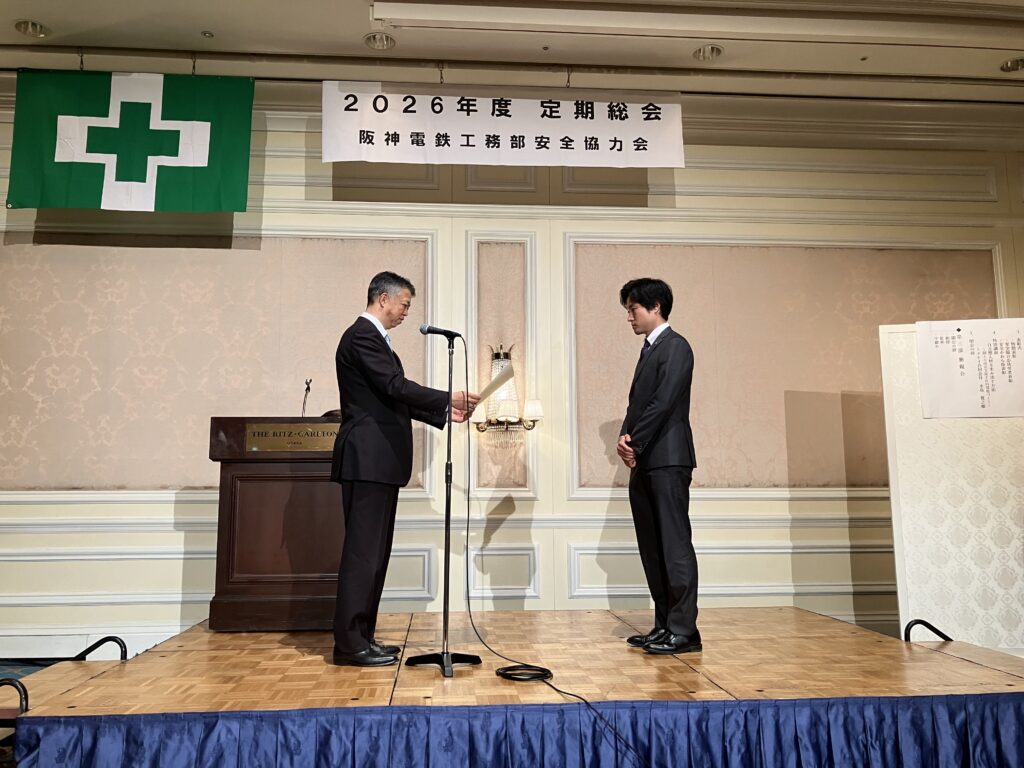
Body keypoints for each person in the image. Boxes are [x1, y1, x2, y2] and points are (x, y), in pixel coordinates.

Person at [330, 271, 479, 666]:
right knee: (363, 554)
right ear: (383, 298)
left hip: (379, 461)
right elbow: (395, 387)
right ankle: (349, 644)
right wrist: (448, 396)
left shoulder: (375, 339)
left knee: (375, 554)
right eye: (405, 304)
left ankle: (364, 636)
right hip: (367, 459)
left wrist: (444, 412)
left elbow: (389, 398)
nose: (406, 312)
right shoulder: (362, 336)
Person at [616, 277, 701, 655]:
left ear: (655, 307)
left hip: (668, 459)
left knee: (674, 545)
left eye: (633, 309)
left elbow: (664, 402)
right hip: (646, 461)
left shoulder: (676, 346)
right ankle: (665, 625)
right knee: (652, 547)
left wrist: (634, 441)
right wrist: (625, 438)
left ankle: (684, 630)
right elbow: (637, 405)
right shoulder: (649, 349)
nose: (629, 317)